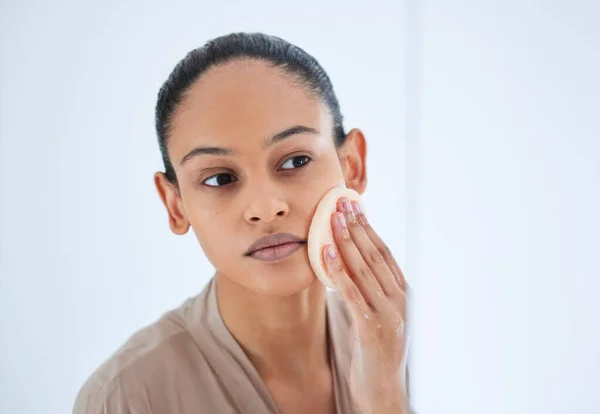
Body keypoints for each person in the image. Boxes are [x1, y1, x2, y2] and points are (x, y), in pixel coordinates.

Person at [73, 32, 412, 414]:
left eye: (295, 161)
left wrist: (385, 396)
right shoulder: (127, 398)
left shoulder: (415, 351)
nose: (265, 208)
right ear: (176, 205)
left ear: (352, 166)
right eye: (220, 178)